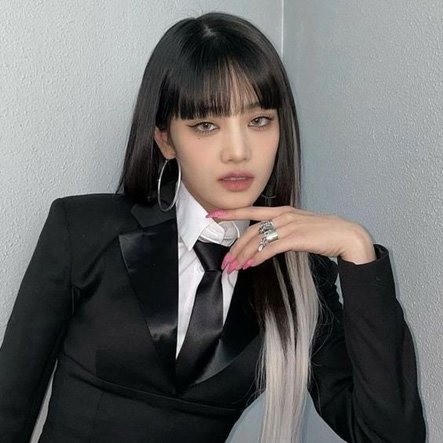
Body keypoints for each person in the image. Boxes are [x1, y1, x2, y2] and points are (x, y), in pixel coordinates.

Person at [0, 11, 425, 443]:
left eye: (259, 121)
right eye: (206, 125)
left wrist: (358, 251)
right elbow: (9, 407)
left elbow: (389, 435)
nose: (238, 152)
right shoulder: (81, 230)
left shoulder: (299, 277)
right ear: (165, 138)